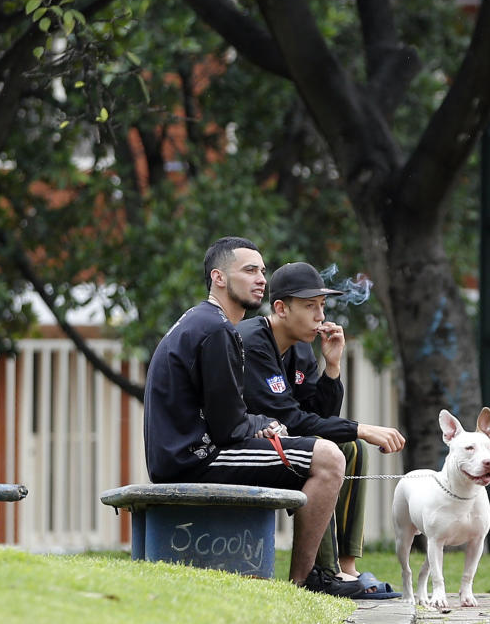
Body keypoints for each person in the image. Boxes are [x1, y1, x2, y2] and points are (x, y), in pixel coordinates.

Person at [143, 237, 371, 597]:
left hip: (192, 452)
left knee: (330, 451)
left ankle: (324, 574)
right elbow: (230, 426)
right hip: (195, 458)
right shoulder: (218, 330)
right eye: (249, 270)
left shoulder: (209, 323)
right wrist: (264, 425)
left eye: (263, 271)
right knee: (328, 459)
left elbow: (233, 419)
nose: (261, 278)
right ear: (218, 277)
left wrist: (328, 371)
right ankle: (303, 584)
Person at [238, 261, 405, 597]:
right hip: (243, 445)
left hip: (282, 443)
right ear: (281, 308)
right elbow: (294, 420)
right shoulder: (253, 343)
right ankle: (320, 572)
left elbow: (319, 415)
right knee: (335, 449)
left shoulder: (300, 347)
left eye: (322, 306)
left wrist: (332, 366)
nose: (319, 316)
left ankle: (345, 568)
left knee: (349, 448)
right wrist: (362, 428)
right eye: (309, 306)